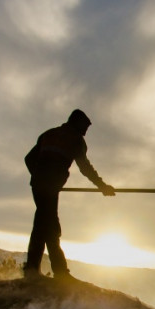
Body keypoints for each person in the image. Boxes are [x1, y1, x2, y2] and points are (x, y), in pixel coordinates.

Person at [23, 109, 115, 278]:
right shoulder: (75, 140)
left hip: (38, 186)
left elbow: (29, 159)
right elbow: (85, 168)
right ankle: (54, 272)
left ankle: (36, 269)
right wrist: (102, 186)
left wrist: (38, 176)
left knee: (44, 224)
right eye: (85, 128)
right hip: (50, 187)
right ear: (78, 124)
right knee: (49, 226)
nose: (86, 132)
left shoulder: (49, 134)